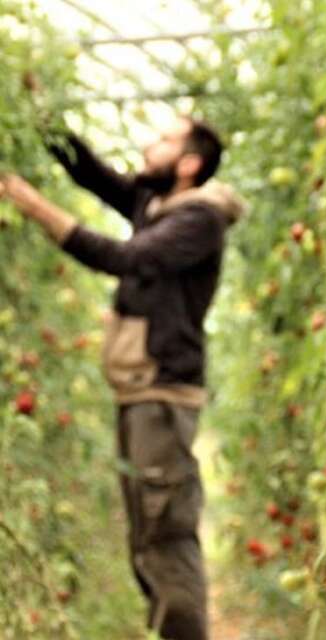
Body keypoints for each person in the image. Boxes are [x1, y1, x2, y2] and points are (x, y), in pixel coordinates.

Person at [0, 114, 246, 640]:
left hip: (162, 391)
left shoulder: (197, 219)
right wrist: (40, 114)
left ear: (189, 164)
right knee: (146, 537)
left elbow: (123, 256)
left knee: (166, 532)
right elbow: (93, 175)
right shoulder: (155, 204)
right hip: (140, 388)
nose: (145, 145)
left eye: (161, 140)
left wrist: (35, 206)